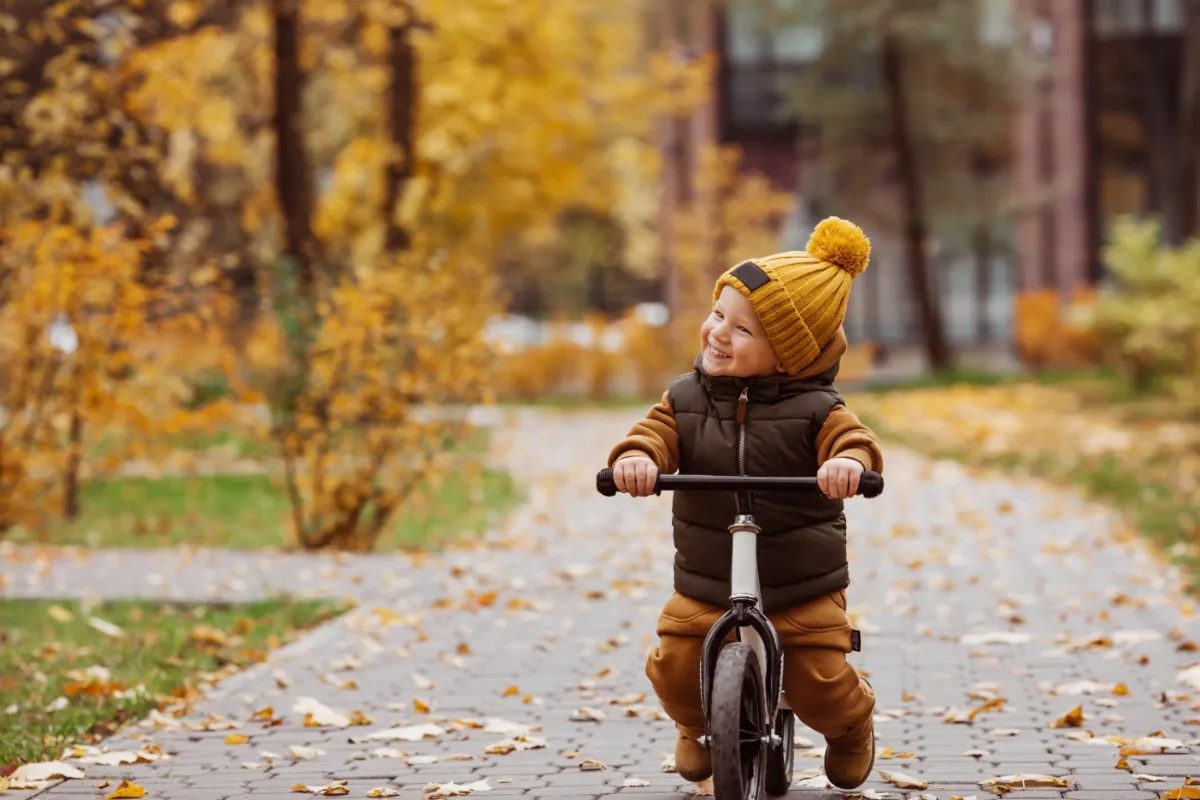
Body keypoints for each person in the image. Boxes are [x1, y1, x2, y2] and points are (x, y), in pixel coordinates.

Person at [607, 216, 883, 790]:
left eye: (743, 330)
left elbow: (853, 441)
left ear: (789, 355)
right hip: (708, 577)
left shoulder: (816, 407)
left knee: (820, 682)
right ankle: (698, 723)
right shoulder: (684, 398)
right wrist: (639, 460)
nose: (718, 333)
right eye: (717, 315)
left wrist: (848, 466)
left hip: (800, 580)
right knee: (676, 667)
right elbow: (653, 433)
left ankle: (851, 728)